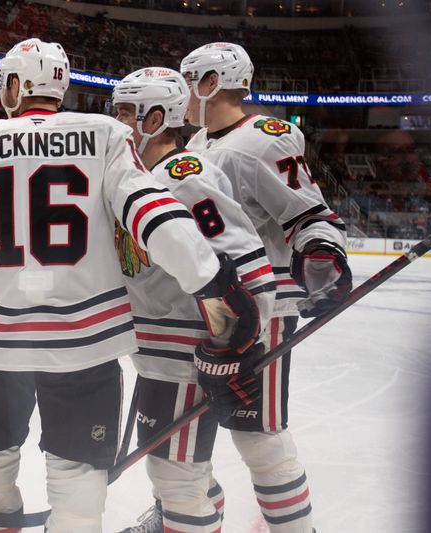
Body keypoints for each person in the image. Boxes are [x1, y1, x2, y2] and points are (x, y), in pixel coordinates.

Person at [0, 38, 262, 533]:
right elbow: (154, 215)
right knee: (77, 483)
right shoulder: (104, 135)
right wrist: (212, 282)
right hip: (85, 342)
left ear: (17, 84)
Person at [179, 42, 351, 532]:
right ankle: (188, 514)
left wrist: (321, 258)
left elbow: (310, 214)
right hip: (200, 309)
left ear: (212, 83)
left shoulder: (263, 138)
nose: (183, 92)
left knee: (259, 437)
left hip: (260, 311)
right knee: (186, 432)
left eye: (190, 80)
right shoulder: (194, 146)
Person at [111, 67, 276, 533]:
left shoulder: (185, 175)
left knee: (176, 477)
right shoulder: (134, 176)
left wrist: (240, 340)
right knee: (178, 474)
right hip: (156, 353)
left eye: (126, 112)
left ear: (157, 117)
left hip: (185, 353)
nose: (117, 121)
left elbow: (241, 259)